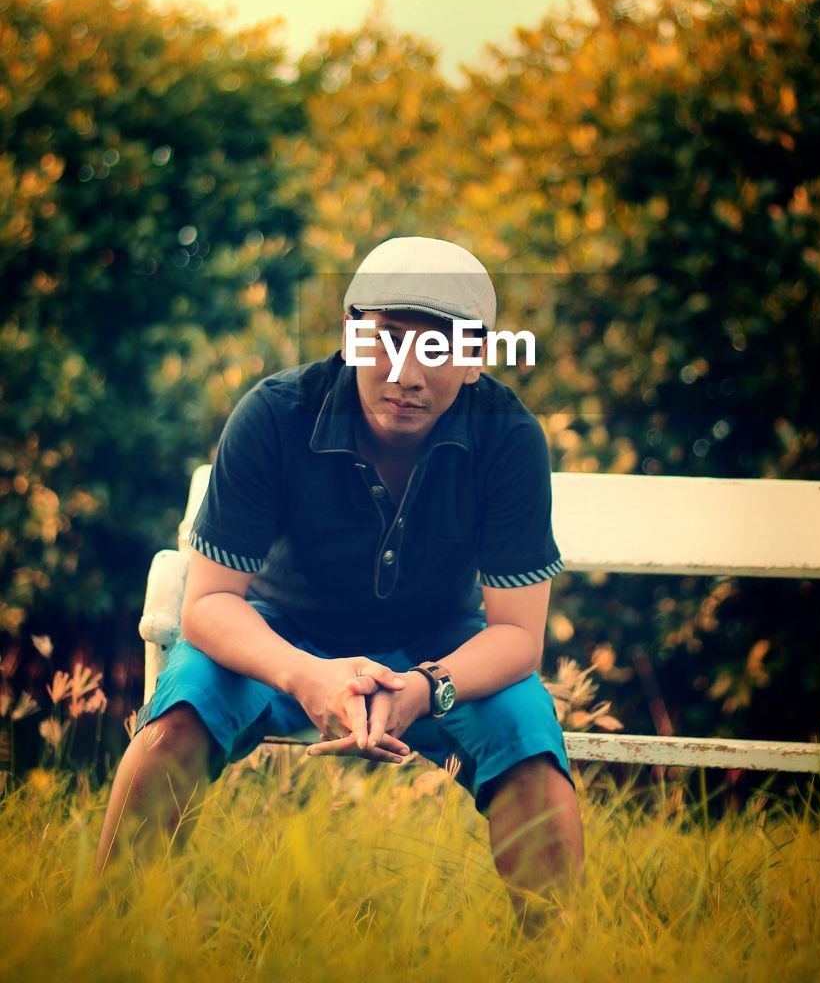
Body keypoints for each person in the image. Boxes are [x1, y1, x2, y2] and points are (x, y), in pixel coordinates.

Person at [95, 236, 584, 929]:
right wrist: (306, 676)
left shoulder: (508, 438)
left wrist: (424, 686)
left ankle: (561, 959)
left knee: (526, 735)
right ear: (352, 335)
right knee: (182, 713)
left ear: (475, 359)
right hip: (279, 638)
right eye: (384, 342)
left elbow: (514, 635)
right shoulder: (273, 415)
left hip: (437, 648)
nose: (406, 374)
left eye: (438, 350)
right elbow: (207, 605)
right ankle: (106, 937)